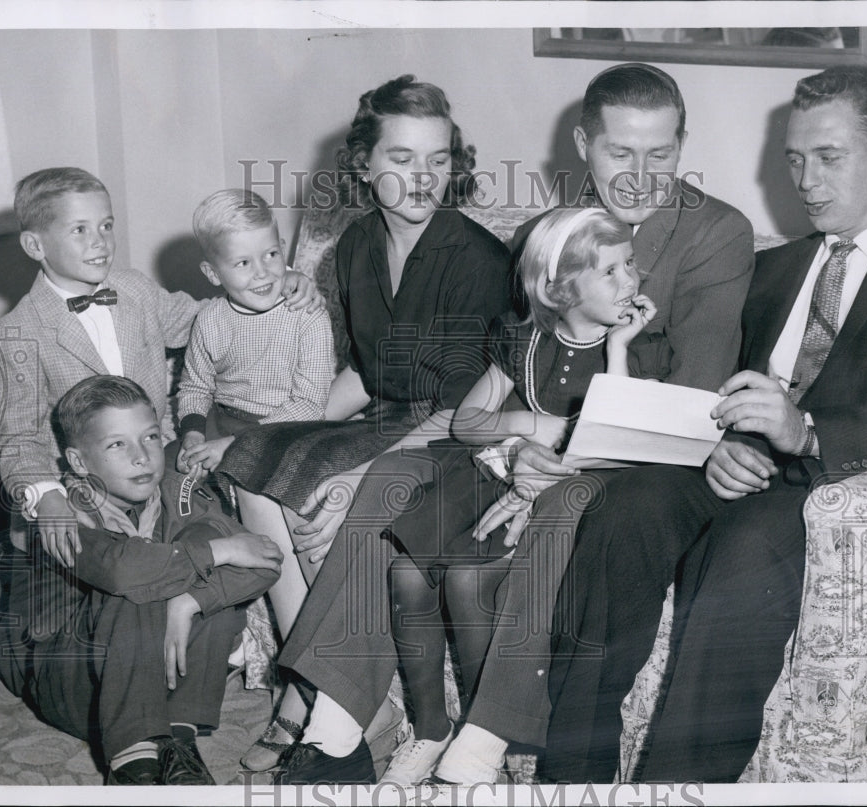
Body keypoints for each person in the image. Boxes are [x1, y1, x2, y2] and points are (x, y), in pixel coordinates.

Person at [267, 61, 754, 787]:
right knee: (398, 472)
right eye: (620, 152)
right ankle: (336, 718)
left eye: (662, 153)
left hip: (630, 463)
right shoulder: (544, 235)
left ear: (684, 144)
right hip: (523, 441)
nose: (642, 174)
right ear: (584, 145)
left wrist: (551, 447)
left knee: (542, 509)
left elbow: (688, 404)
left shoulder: (716, 233)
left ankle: (487, 734)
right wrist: (515, 439)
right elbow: (510, 370)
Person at [543, 64, 867, 783]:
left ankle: (677, 788)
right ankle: (571, 775)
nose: (805, 180)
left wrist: (809, 433)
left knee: (741, 554)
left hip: (816, 491)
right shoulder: (777, 265)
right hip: (726, 468)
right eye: (794, 158)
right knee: (621, 512)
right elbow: (710, 376)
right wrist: (715, 439)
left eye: (828, 157)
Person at [217, 75, 512, 771]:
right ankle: (310, 678)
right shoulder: (354, 246)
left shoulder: (478, 261)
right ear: (364, 164)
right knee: (254, 467)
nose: (423, 177)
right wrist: (283, 432)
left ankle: (329, 702)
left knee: (339, 496)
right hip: (387, 413)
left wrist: (349, 471)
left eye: (438, 159)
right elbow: (358, 375)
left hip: (455, 434)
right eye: (403, 159)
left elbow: (465, 408)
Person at [379, 207, 661, 785]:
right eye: (610, 272)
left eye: (630, 264)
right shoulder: (526, 340)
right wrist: (533, 427)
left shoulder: (640, 349)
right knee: (406, 573)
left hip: (576, 498)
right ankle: (431, 731)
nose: (630, 281)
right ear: (558, 290)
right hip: (506, 475)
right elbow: (468, 421)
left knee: (465, 577)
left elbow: (631, 441)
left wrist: (619, 351)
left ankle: (490, 740)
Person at [0, 168, 319, 568]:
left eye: (106, 225)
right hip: (78, 489)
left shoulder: (134, 289)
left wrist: (277, 283)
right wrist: (46, 495)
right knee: (128, 574)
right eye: (79, 230)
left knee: (234, 558)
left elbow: (210, 321)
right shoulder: (14, 333)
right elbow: (19, 439)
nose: (100, 242)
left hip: (157, 464)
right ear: (34, 244)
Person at [0, 376, 283, 785]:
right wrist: (220, 552)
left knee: (205, 589)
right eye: (117, 444)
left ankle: (179, 740)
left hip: (156, 678)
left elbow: (266, 562)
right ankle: (132, 764)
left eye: (150, 437)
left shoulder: (178, 492)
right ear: (78, 463)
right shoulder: (65, 513)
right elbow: (121, 570)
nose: (142, 457)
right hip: (74, 679)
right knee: (139, 583)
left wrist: (190, 603)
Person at [175, 188, 335, 648]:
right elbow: (195, 388)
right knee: (178, 486)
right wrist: (191, 435)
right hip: (226, 425)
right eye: (243, 263)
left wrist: (233, 447)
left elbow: (309, 403)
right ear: (213, 272)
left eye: (271, 253)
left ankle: (316, 648)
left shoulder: (306, 314)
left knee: (280, 497)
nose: (264, 271)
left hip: (295, 429)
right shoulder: (210, 321)